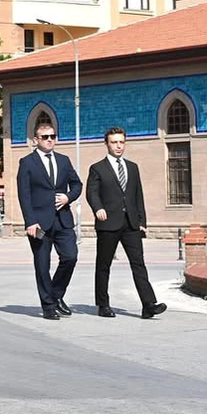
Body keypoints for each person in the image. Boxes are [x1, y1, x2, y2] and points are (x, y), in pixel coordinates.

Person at [86, 127, 165, 319]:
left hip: (130, 224)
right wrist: (98, 208)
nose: (118, 146)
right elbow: (91, 192)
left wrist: (142, 220)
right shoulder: (97, 168)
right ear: (107, 144)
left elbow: (138, 195)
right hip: (108, 223)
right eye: (114, 142)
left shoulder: (132, 167)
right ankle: (103, 305)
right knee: (103, 266)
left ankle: (148, 305)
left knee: (138, 263)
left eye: (121, 142)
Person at [16, 120, 81, 321]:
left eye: (53, 136)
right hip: (39, 223)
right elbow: (24, 194)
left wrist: (68, 197)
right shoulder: (27, 162)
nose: (50, 140)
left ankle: (56, 294)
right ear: (36, 140)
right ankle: (48, 306)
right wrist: (30, 222)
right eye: (45, 137)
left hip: (63, 220)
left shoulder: (64, 160)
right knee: (42, 265)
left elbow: (77, 184)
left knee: (70, 256)